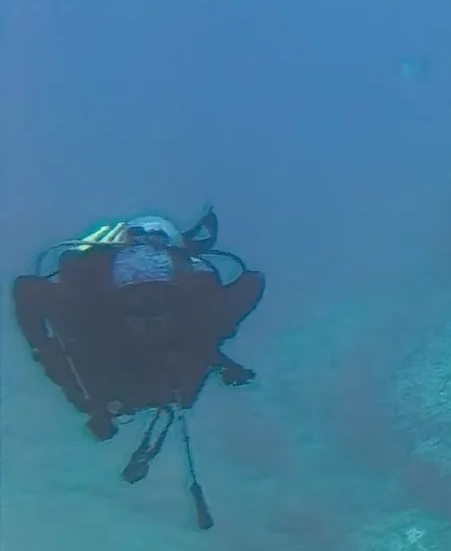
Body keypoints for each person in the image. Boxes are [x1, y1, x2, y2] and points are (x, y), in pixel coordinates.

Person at [12, 211, 264, 528]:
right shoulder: (89, 316)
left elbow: (26, 290)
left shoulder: (196, 309)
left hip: (145, 370)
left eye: (157, 302)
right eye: (137, 304)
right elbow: (251, 283)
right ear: (115, 301)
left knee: (188, 352)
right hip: (124, 373)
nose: (149, 317)